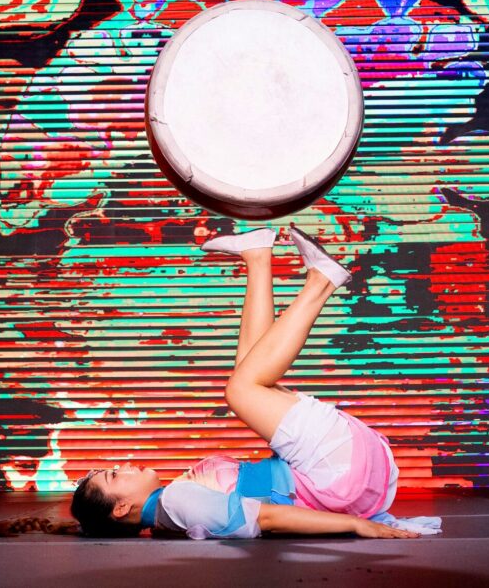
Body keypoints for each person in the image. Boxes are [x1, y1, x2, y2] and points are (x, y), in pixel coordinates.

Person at [70, 226, 442, 540]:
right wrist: (357, 526)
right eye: (114, 475)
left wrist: (79, 526)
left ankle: (258, 256)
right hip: (336, 473)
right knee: (240, 390)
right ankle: (320, 282)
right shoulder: (178, 503)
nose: (126, 465)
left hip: (344, 474)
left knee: (248, 372)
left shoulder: (172, 509)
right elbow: (267, 518)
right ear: (122, 508)